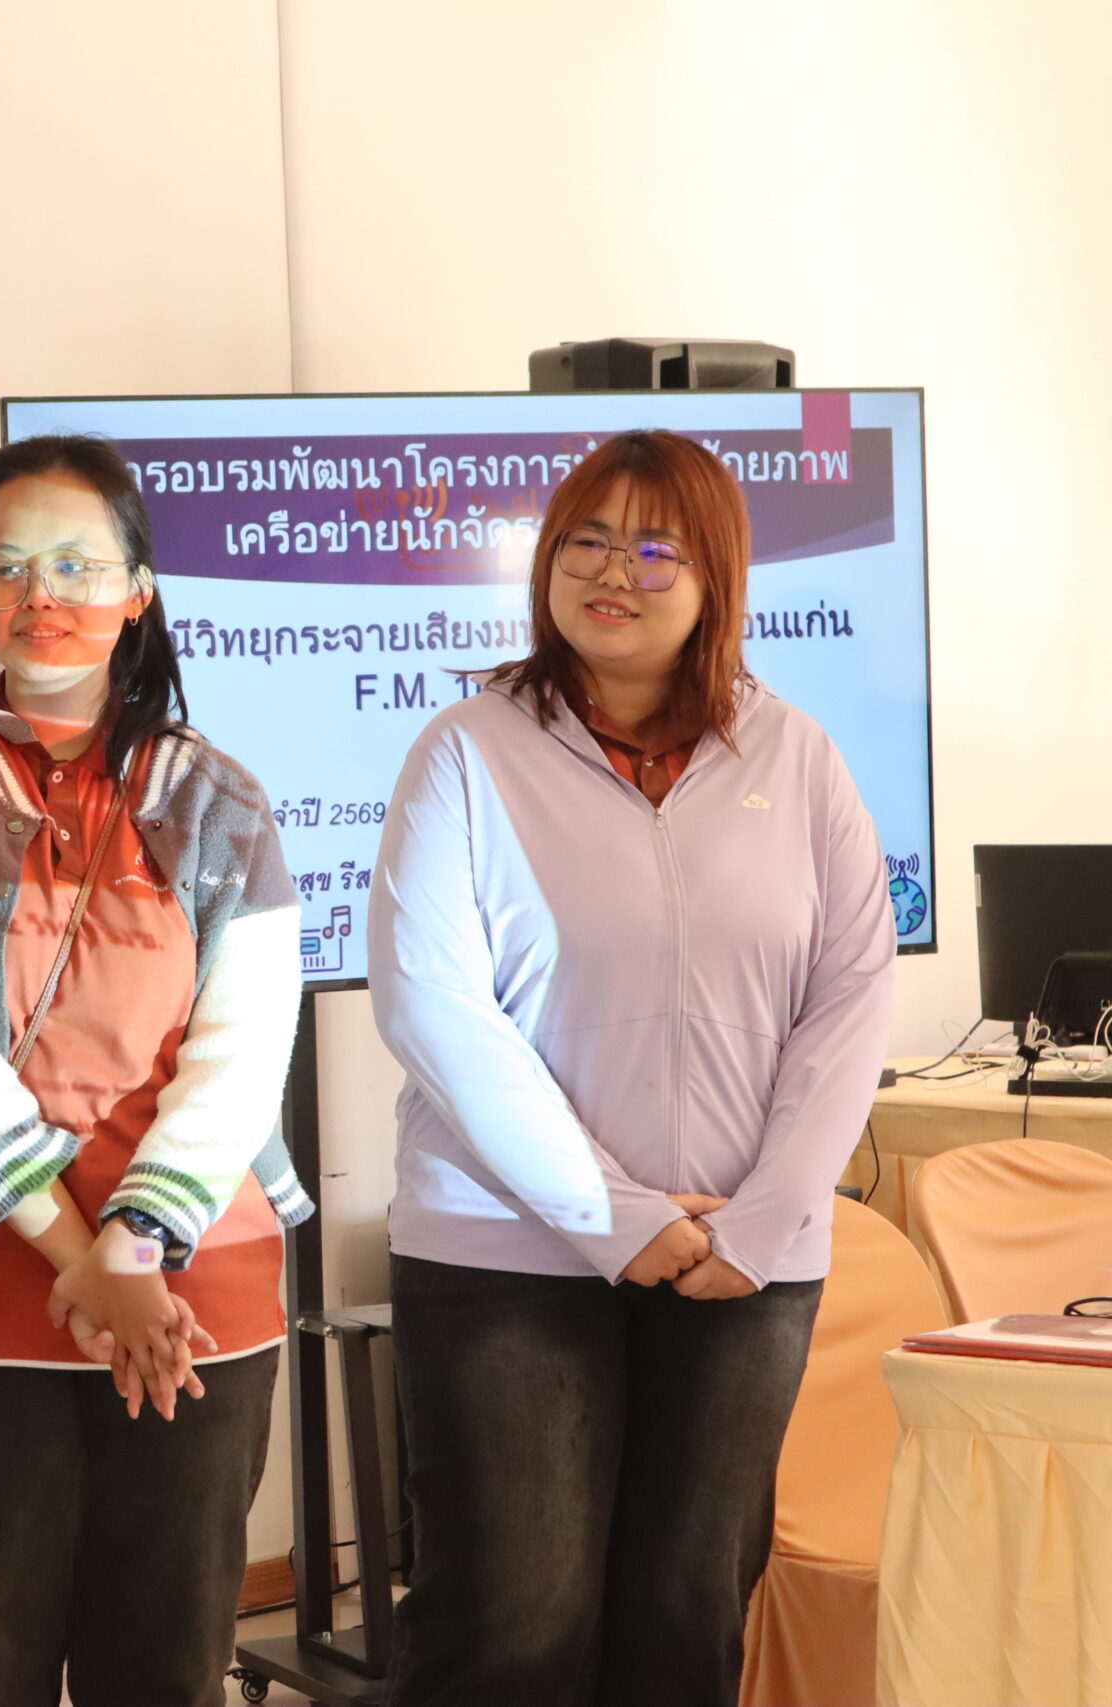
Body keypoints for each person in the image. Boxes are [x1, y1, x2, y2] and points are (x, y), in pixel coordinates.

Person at [368, 430, 898, 1707]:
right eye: (586, 541)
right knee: (511, 1624)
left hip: (739, 1262)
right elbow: (431, 1004)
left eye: (655, 547)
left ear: (715, 576)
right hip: (506, 1253)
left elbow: (851, 994)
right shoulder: (465, 750)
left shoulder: (797, 757)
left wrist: (764, 1220)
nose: (614, 572)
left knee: (686, 1614)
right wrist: (614, 1215)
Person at [0, 435, 314, 1707]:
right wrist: (84, 1260)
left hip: (195, 1292)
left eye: (74, 565)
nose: (37, 594)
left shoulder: (220, 798)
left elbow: (244, 1053)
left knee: (167, 1665)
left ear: (137, 591)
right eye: (4, 568)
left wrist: (137, 1249)